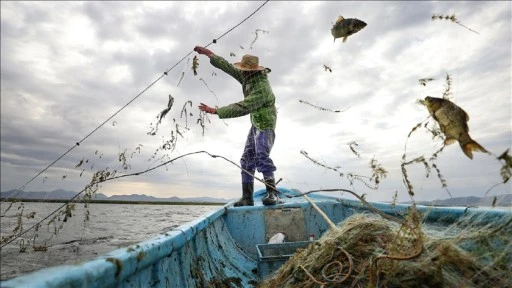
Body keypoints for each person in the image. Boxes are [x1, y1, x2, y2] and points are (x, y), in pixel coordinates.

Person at [194, 45, 278, 206]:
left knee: (261, 155)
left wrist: (215, 111)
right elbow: (228, 67)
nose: (242, 73)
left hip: (266, 123)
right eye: (243, 70)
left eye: (245, 70)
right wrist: (209, 54)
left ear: (254, 71)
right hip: (255, 123)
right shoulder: (247, 77)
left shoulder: (262, 88)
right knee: (247, 158)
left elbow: (243, 107)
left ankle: (272, 193)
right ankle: (247, 198)